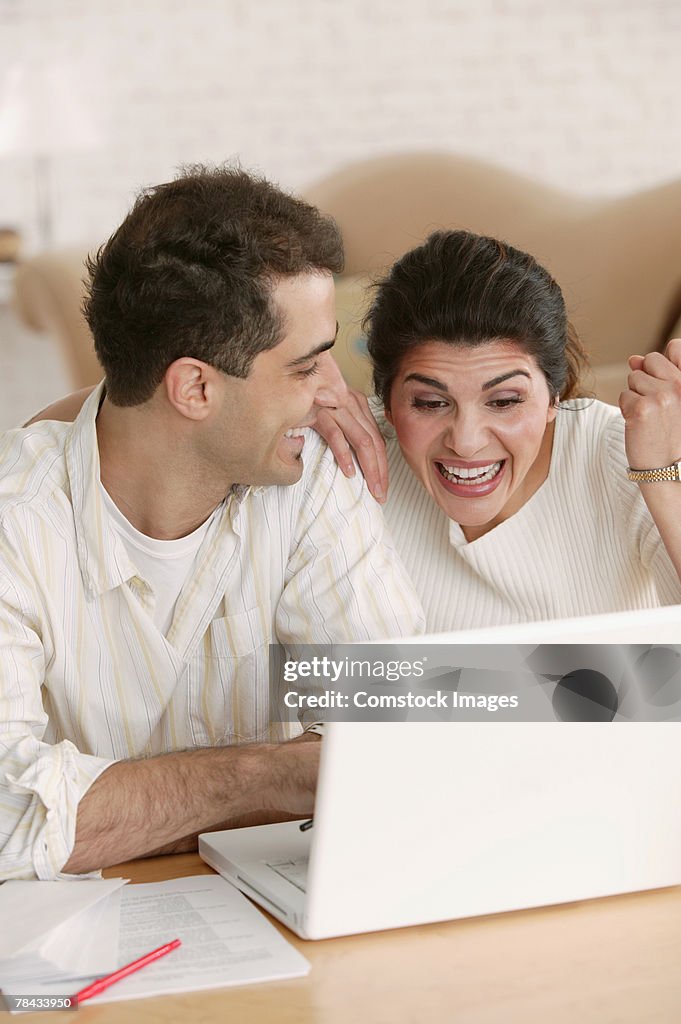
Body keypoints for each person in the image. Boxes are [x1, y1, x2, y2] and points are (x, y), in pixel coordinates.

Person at [0, 166, 423, 880]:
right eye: (306, 366)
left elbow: (395, 740)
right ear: (194, 386)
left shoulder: (311, 473)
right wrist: (266, 776)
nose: (336, 395)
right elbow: (8, 823)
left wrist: (110, 811)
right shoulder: (19, 521)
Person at [362, 229, 681, 630]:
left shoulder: (627, 455)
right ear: (387, 404)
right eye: (430, 403)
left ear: (553, 397)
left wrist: (662, 471)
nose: (466, 441)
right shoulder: (351, 459)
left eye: (504, 401)